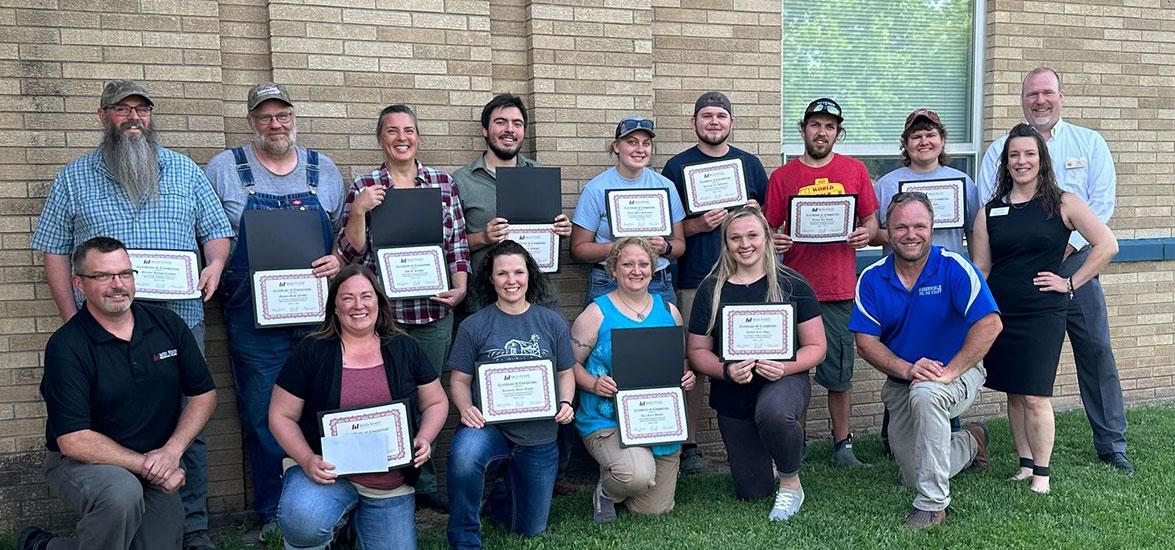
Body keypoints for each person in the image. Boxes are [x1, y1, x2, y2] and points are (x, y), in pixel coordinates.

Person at [29, 80, 233, 550]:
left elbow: (217, 231)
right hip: (100, 328)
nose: (133, 117)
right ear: (104, 116)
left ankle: (193, 528)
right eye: (122, 109)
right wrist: (71, 318)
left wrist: (216, 264)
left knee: (187, 424)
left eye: (141, 109)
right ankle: (116, 510)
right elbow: (55, 250)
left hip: (177, 319)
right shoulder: (74, 177)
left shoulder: (183, 170)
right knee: (109, 420)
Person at [204, 82, 345, 537]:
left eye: (282, 115)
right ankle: (272, 513)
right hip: (252, 317)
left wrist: (338, 259)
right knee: (263, 411)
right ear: (251, 122)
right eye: (265, 116)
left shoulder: (325, 170)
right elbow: (211, 235)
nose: (275, 124)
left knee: (325, 405)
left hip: (316, 314)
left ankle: (331, 502)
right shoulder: (224, 169)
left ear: (294, 118)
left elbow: (344, 238)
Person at [977, 68, 1132, 475]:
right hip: (1018, 274)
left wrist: (1066, 252)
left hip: (1075, 259)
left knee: (1095, 348)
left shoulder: (1089, 142)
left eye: (1047, 93)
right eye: (1032, 94)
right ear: (1022, 99)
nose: (1040, 100)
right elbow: (990, 208)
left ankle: (1111, 443)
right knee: (1017, 374)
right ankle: (1028, 461)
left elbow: (1101, 206)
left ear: (1060, 96)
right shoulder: (1000, 149)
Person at [18, 237, 217, 550]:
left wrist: (172, 452)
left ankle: (45, 547)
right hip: (84, 464)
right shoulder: (67, 346)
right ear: (78, 284)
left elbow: (202, 394)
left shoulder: (167, 324)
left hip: (152, 462)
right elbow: (73, 440)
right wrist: (148, 466)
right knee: (121, 494)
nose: (117, 284)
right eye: (103, 276)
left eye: (125, 274)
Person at [335, 104, 470, 511]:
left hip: (432, 312)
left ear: (418, 137)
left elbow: (458, 245)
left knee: (425, 396)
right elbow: (350, 252)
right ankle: (382, 477)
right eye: (392, 131)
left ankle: (423, 480)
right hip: (383, 317)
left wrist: (460, 289)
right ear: (381, 139)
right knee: (383, 395)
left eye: (408, 130)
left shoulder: (442, 184)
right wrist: (360, 209)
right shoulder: (365, 184)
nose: (401, 137)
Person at [268, 265, 448, 549]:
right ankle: (328, 530)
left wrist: (424, 438)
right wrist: (306, 459)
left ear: (378, 302)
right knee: (304, 522)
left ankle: (349, 532)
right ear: (335, 307)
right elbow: (280, 415)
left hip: (388, 484)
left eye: (366, 296)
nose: (358, 305)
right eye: (347, 297)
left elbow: (436, 401)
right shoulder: (312, 350)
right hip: (327, 475)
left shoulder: (404, 347)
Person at [850, 193, 1002, 529]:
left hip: (957, 373)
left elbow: (991, 323)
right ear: (888, 231)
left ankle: (932, 504)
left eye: (919, 225)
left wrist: (949, 372)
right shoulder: (873, 278)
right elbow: (866, 342)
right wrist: (907, 369)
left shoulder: (954, 267)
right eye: (901, 226)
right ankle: (970, 440)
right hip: (903, 380)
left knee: (927, 393)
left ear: (932, 228)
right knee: (912, 474)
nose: (910, 233)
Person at [685, 208, 826, 521]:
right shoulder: (712, 288)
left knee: (774, 411)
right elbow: (696, 350)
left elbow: (817, 347)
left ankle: (790, 482)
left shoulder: (792, 283)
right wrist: (725, 370)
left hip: (783, 382)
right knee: (753, 491)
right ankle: (770, 461)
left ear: (767, 239)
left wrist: (785, 367)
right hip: (734, 390)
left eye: (752, 235)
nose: (744, 244)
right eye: (735, 237)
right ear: (726, 243)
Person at [764, 97, 879, 468]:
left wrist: (866, 235)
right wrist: (774, 241)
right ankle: (793, 442)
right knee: (794, 370)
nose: (822, 132)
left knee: (838, 373)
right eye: (815, 125)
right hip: (794, 289)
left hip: (839, 288)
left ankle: (842, 444)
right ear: (803, 130)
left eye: (829, 126)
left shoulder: (855, 170)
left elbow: (872, 223)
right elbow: (768, 229)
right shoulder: (784, 177)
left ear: (837, 132)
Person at [662, 91, 769, 474]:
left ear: (730, 122)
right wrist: (698, 225)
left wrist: (758, 214)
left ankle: (757, 432)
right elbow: (668, 228)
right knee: (695, 359)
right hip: (697, 278)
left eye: (721, 116)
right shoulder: (676, 167)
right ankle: (689, 444)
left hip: (746, 282)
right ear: (694, 122)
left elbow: (767, 226)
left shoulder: (750, 164)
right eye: (706, 116)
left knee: (751, 351)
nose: (713, 122)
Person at [445, 241, 577, 548]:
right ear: (490, 278)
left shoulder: (552, 322)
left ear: (530, 275)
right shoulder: (474, 325)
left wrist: (565, 402)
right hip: (489, 427)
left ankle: (500, 497)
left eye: (518, 271)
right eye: (502, 273)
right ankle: (464, 537)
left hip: (538, 433)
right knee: (464, 457)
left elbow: (565, 372)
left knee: (529, 529)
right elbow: (460, 379)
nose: (511, 280)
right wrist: (465, 408)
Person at [872, 108, 980, 454]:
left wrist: (978, 271)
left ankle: (952, 431)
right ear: (906, 143)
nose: (924, 140)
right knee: (903, 351)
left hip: (947, 285)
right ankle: (896, 433)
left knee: (944, 351)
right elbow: (877, 233)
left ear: (942, 140)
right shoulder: (888, 184)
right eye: (916, 136)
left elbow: (975, 230)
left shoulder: (962, 182)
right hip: (901, 284)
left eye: (930, 134)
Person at [570, 238, 696, 523]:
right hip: (608, 420)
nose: (635, 271)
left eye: (643, 264)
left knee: (652, 509)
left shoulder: (669, 311)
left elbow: (681, 361)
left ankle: (633, 474)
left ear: (653, 269)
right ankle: (607, 491)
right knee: (635, 476)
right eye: (627, 264)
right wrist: (592, 384)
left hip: (659, 422)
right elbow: (568, 366)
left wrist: (686, 376)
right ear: (613, 269)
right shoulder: (596, 313)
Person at [452, 93, 572, 309]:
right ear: (485, 130)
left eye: (517, 124)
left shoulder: (540, 176)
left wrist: (561, 230)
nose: (510, 129)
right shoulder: (461, 181)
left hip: (538, 299)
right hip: (483, 302)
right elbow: (451, 245)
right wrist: (484, 237)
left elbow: (548, 234)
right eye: (500, 122)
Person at [570, 115, 686, 307]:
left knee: (662, 337)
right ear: (617, 147)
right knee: (608, 337)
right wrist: (619, 248)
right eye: (632, 142)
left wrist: (666, 247)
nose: (640, 149)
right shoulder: (596, 189)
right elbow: (578, 249)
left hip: (656, 281)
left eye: (646, 143)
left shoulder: (666, 187)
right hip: (608, 281)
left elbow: (680, 245)